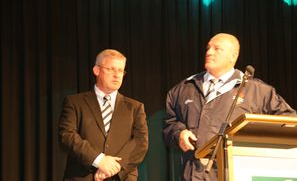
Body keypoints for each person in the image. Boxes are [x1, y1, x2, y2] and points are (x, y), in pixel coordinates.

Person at [162, 33, 296, 181]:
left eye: (217, 49)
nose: (209, 52)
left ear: (233, 56)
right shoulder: (183, 89)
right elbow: (169, 124)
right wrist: (179, 133)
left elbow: (289, 122)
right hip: (193, 173)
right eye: (208, 48)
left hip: (238, 172)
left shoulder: (257, 90)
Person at [58, 49, 149, 181]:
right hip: (82, 176)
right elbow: (66, 136)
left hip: (121, 177)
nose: (117, 75)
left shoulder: (135, 107)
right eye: (111, 69)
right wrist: (98, 160)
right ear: (96, 70)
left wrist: (114, 168)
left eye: (120, 70)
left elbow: (140, 143)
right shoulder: (74, 102)